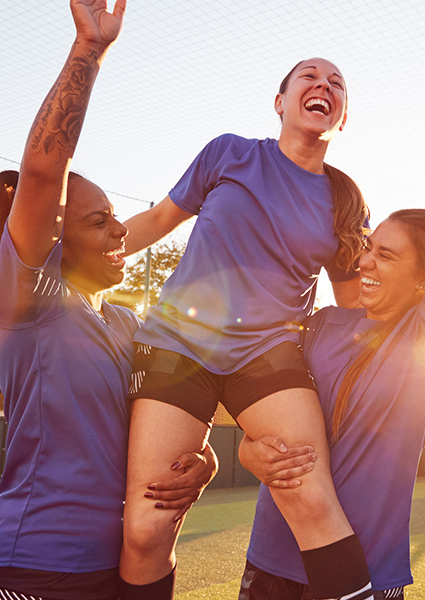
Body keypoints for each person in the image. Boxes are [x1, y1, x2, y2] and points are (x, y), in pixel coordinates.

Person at [0, 3, 215, 599]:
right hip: (32, 569)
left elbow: (160, 418)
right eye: (100, 220)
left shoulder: (124, 320)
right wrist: (90, 50)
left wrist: (203, 459)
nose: (119, 232)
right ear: (57, 236)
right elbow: (40, 172)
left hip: (122, 570)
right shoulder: (28, 304)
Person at [235, 3, 425, 597]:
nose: (364, 261)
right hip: (272, 560)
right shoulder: (322, 325)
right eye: (368, 248)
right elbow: (247, 391)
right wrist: (250, 451)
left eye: (386, 254)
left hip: (366, 573)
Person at [118, 35, 370, 600]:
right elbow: (157, 220)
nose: (322, 86)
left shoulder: (344, 201)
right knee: (147, 524)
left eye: (336, 85)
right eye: (309, 76)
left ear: (342, 118)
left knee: (309, 494)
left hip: (270, 356)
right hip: (177, 345)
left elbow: (355, 310)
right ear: (280, 101)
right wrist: (67, 266)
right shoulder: (229, 153)